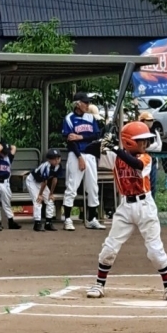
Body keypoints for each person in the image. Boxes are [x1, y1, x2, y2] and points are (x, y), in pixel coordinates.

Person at [87, 121, 167, 300]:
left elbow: (136, 164)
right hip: (125, 207)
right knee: (109, 248)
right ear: (129, 141)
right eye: (140, 140)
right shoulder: (115, 157)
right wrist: (102, 141)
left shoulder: (146, 158)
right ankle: (99, 284)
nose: (145, 143)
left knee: (155, 251)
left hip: (145, 207)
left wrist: (115, 148)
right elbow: (89, 150)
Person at [61, 92, 105, 231]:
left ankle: (92, 219)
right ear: (78, 104)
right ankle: (67, 219)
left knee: (93, 187)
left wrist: (80, 137)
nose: (88, 105)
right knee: (72, 186)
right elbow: (70, 140)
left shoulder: (90, 117)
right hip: (76, 155)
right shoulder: (69, 118)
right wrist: (79, 157)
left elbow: (96, 135)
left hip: (90, 155)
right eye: (85, 102)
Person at [25, 149, 63, 232]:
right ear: (49, 160)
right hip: (32, 181)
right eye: (54, 159)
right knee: (38, 200)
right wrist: (40, 194)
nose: (57, 160)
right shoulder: (46, 166)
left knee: (50, 200)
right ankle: (37, 223)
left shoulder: (58, 166)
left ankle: (48, 223)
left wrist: (51, 193)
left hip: (41, 183)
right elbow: (45, 182)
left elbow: (54, 180)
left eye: (58, 158)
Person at [0, 143, 22, 230]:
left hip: (5, 183)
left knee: (7, 203)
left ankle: (11, 222)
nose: (5, 154)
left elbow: (14, 147)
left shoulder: (8, 158)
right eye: (3, 152)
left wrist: (5, 146)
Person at [138, 111, 162, 197]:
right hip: (142, 161)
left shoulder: (155, 132)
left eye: (151, 120)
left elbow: (159, 148)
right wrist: (154, 145)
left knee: (153, 185)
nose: (150, 122)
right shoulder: (139, 132)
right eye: (148, 120)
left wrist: (152, 147)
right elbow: (142, 148)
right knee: (142, 184)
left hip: (153, 161)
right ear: (142, 121)